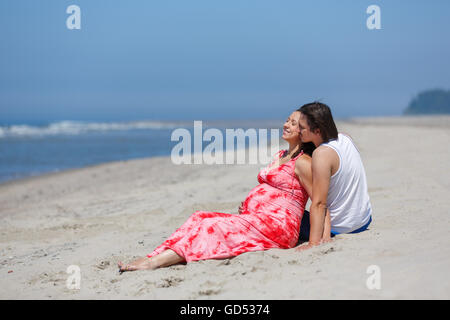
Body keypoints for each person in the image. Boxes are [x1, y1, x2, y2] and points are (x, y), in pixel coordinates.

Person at [118, 110, 317, 272]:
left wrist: (317, 241)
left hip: (278, 228)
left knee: (210, 227)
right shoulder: (280, 154)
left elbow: (318, 201)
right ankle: (155, 255)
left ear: (304, 132)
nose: (286, 125)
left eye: (293, 123)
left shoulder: (303, 162)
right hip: (258, 219)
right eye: (287, 120)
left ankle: (154, 263)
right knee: (199, 216)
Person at [295, 102, 372, 251]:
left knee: (287, 216)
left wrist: (313, 243)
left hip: (341, 227)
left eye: (302, 128)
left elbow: (319, 203)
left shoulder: (322, 154)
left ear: (317, 130)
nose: (299, 130)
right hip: (363, 220)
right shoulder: (345, 138)